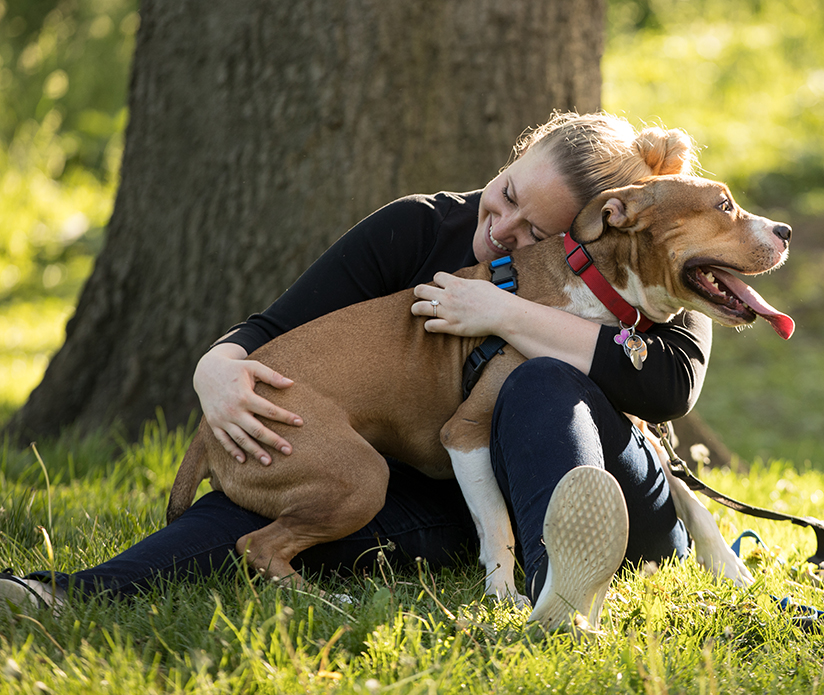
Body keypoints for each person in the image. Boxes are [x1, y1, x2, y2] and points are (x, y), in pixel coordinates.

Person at [1, 112, 711, 631]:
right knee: (312, 493)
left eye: (533, 233)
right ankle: (65, 592)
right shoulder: (417, 226)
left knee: (540, 382)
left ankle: (556, 581)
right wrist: (216, 368)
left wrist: (501, 313)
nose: (503, 232)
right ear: (511, 160)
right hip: (446, 498)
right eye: (509, 195)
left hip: (613, 495)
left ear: (593, 228)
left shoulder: (662, 269)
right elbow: (277, 328)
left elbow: (670, 387)